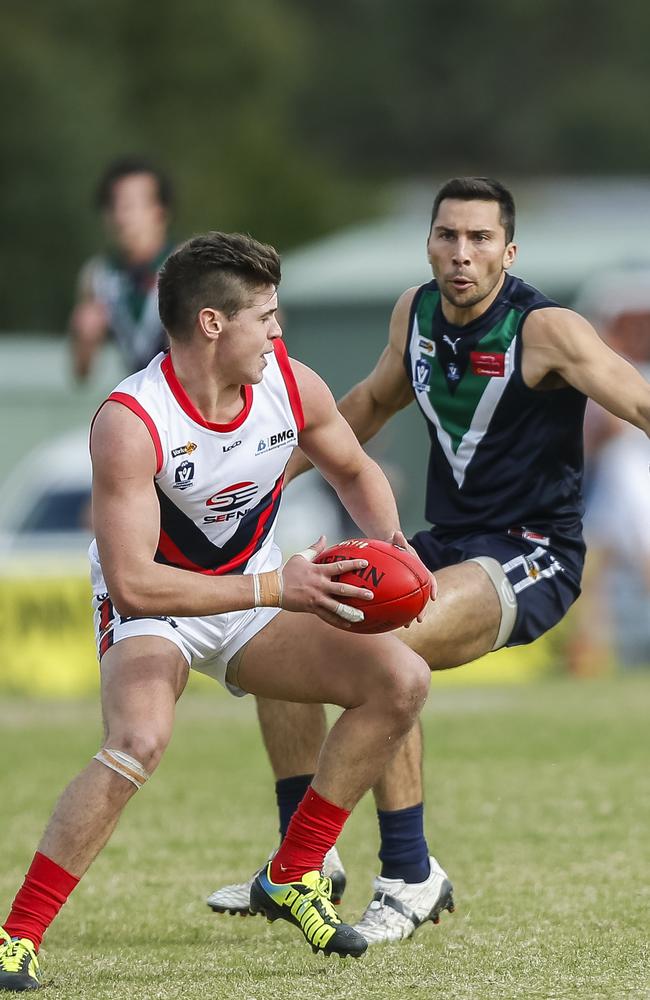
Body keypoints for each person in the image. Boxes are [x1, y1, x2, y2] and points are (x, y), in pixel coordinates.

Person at [207, 177, 650, 944]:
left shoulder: (547, 330)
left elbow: (639, 404)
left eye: (480, 239)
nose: (462, 253)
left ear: (508, 252)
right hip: (444, 541)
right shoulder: (413, 313)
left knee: (379, 645)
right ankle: (307, 860)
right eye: (448, 235)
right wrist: (258, 481)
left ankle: (410, 876)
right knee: (302, 621)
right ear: (429, 243)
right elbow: (368, 408)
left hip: (531, 554)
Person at [0, 232, 435, 990]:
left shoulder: (292, 385)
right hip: (158, 610)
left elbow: (355, 468)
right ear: (211, 324)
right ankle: (19, 936)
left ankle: (294, 869)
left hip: (253, 596)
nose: (278, 331)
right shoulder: (132, 421)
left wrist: (394, 545)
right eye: (264, 317)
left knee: (401, 680)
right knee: (138, 738)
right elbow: (136, 585)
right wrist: (277, 589)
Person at [69, 155, 175, 380]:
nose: (121, 216)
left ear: (160, 212)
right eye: (113, 205)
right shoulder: (98, 275)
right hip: (143, 399)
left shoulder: (186, 265)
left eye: (131, 205)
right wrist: (84, 339)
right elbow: (81, 372)